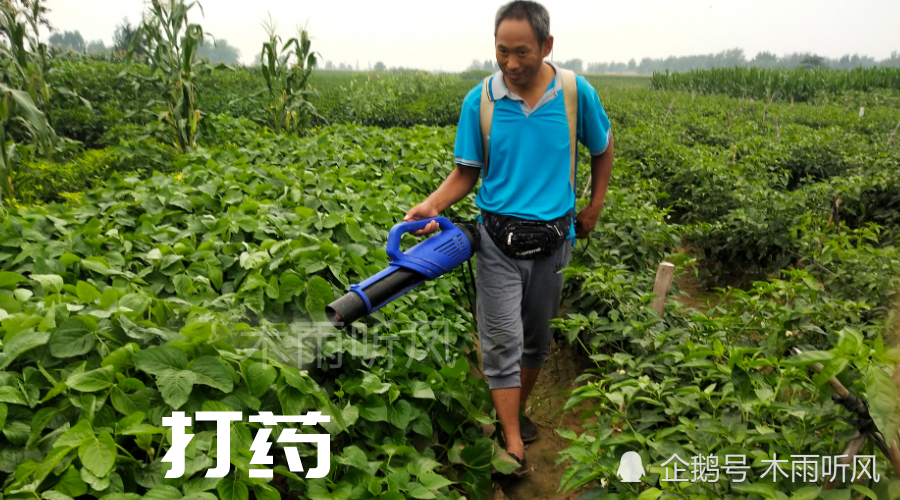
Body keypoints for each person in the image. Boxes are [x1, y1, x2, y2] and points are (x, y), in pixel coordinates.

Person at [403, 0, 614, 472]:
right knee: (501, 341)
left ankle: (512, 413)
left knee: (536, 341)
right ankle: (514, 441)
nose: (512, 64)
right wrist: (434, 204)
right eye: (502, 52)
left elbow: (602, 148)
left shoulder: (576, 94)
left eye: (522, 52)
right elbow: (466, 172)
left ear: (546, 45)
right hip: (497, 240)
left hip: (555, 242)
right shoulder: (480, 102)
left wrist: (594, 205)